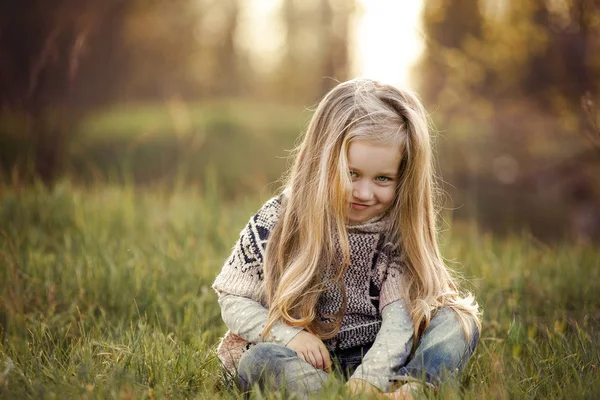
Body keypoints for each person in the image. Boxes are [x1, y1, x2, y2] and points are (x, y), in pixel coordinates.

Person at [212, 78, 481, 399]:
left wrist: (370, 377)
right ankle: (329, 394)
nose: (364, 193)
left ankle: (412, 388)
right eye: (351, 174)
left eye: (383, 178)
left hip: (383, 359)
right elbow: (233, 299)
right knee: (258, 360)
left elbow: (398, 324)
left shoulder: (394, 231)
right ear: (321, 162)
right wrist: (290, 337)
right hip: (304, 357)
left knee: (457, 321)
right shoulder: (278, 220)